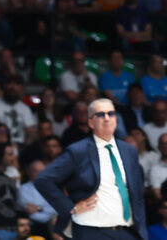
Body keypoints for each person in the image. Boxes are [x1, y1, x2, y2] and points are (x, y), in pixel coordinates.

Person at [34, 98, 147, 240]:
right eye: (100, 115)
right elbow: (43, 180)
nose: (107, 118)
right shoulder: (77, 151)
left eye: (111, 113)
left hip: (127, 231)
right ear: (90, 122)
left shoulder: (129, 150)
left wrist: (142, 230)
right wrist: (71, 208)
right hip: (91, 230)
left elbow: (138, 196)